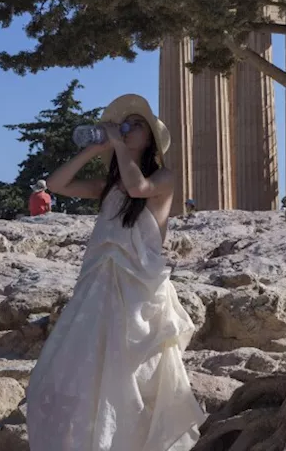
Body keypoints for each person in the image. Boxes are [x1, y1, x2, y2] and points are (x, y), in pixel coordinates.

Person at [26, 94, 204, 450]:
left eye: (138, 124)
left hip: (139, 289)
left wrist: (120, 147)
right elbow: (56, 183)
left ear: (151, 139)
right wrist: (95, 148)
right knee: (77, 372)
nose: (129, 128)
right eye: (128, 123)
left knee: (136, 377)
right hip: (100, 285)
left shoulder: (164, 176)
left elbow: (139, 189)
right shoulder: (108, 185)